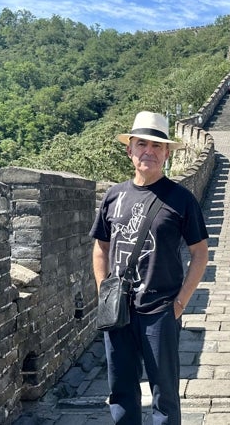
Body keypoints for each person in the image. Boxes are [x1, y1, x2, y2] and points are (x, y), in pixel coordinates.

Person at [89, 111, 209, 424]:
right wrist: (104, 291)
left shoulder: (181, 200)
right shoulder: (114, 196)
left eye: (157, 146)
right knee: (122, 391)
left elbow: (200, 254)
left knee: (164, 395)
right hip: (119, 311)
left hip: (160, 311)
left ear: (167, 153)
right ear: (129, 150)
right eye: (142, 144)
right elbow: (101, 247)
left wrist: (181, 301)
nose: (149, 151)